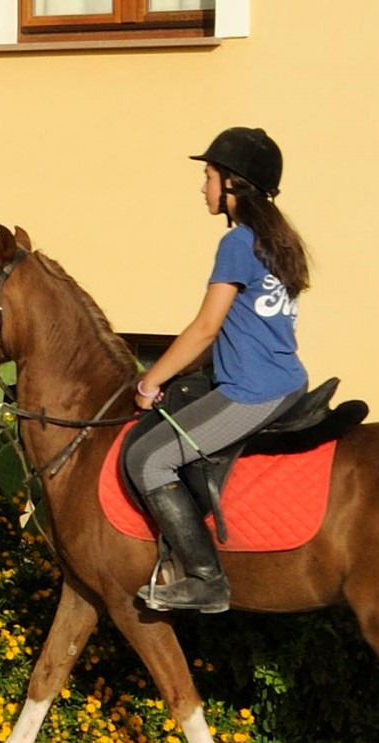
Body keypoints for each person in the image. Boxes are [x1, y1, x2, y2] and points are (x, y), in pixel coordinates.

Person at [125, 126, 310, 614]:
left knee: (148, 459)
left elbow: (205, 328)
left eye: (208, 175)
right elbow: (234, 331)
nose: (202, 187)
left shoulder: (237, 245)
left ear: (233, 183)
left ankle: (206, 580)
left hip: (252, 392)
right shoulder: (279, 241)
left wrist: (150, 380)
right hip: (288, 382)